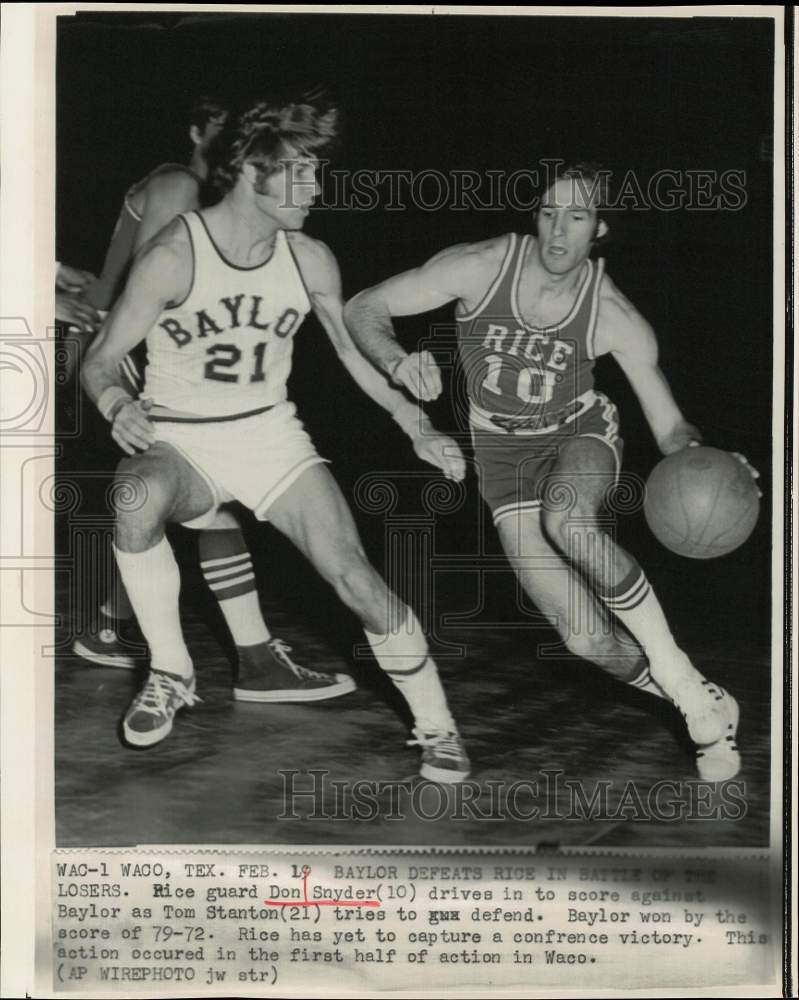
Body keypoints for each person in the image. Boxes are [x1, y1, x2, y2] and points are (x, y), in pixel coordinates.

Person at [81, 95, 470, 782]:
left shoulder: (309, 258)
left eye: (317, 173)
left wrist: (417, 424)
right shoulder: (175, 254)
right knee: (134, 492)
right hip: (185, 442)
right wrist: (115, 403)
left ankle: (437, 726)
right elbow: (101, 358)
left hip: (270, 440)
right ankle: (171, 671)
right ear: (250, 174)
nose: (316, 189)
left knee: (354, 577)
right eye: (299, 174)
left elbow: (352, 355)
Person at [344, 163, 758, 783]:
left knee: (567, 517)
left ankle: (679, 676)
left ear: (601, 229)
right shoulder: (481, 265)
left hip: (578, 431)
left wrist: (715, 462)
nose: (559, 232)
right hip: (502, 459)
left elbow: (672, 429)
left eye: (578, 217)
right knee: (586, 641)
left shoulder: (613, 313)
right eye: (549, 213)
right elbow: (363, 306)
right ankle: (695, 695)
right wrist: (398, 361)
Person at [74, 97, 350, 704]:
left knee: (198, 505)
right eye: (225, 131)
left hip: (132, 338)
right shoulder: (179, 186)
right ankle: (243, 659)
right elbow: (143, 291)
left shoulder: (222, 209)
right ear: (203, 134)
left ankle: (118, 626)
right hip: (124, 352)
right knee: (199, 497)